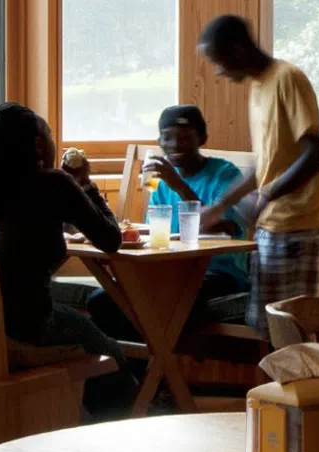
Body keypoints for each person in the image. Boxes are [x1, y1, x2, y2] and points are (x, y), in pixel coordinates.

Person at [0, 102, 136, 415]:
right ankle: (125, 424)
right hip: (29, 326)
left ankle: (74, 417)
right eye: (50, 134)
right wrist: (87, 186)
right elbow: (110, 239)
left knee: (81, 304)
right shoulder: (53, 184)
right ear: (38, 144)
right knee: (113, 358)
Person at [200, 15, 319, 331]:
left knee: (289, 329)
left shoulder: (288, 78)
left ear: (238, 49)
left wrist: (268, 194)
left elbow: (316, 154)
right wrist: (222, 204)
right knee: (265, 325)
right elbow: (269, 164)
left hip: (297, 225)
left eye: (220, 62)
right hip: (271, 226)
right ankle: (279, 382)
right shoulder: (258, 88)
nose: (219, 71)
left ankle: (313, 382)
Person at [86, 104, 254, 341]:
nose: (176, 145)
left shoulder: (224, 174)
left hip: (218, 273)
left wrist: (179, 185)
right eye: (168, 138)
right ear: (160, 142)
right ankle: (149, 373)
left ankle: (151, 372)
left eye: (185, 138)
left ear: (202, 139)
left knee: (152, 304)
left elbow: (220, 227)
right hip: (167, 272)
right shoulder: (161, 183)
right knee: (101, 302)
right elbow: (155, 235)